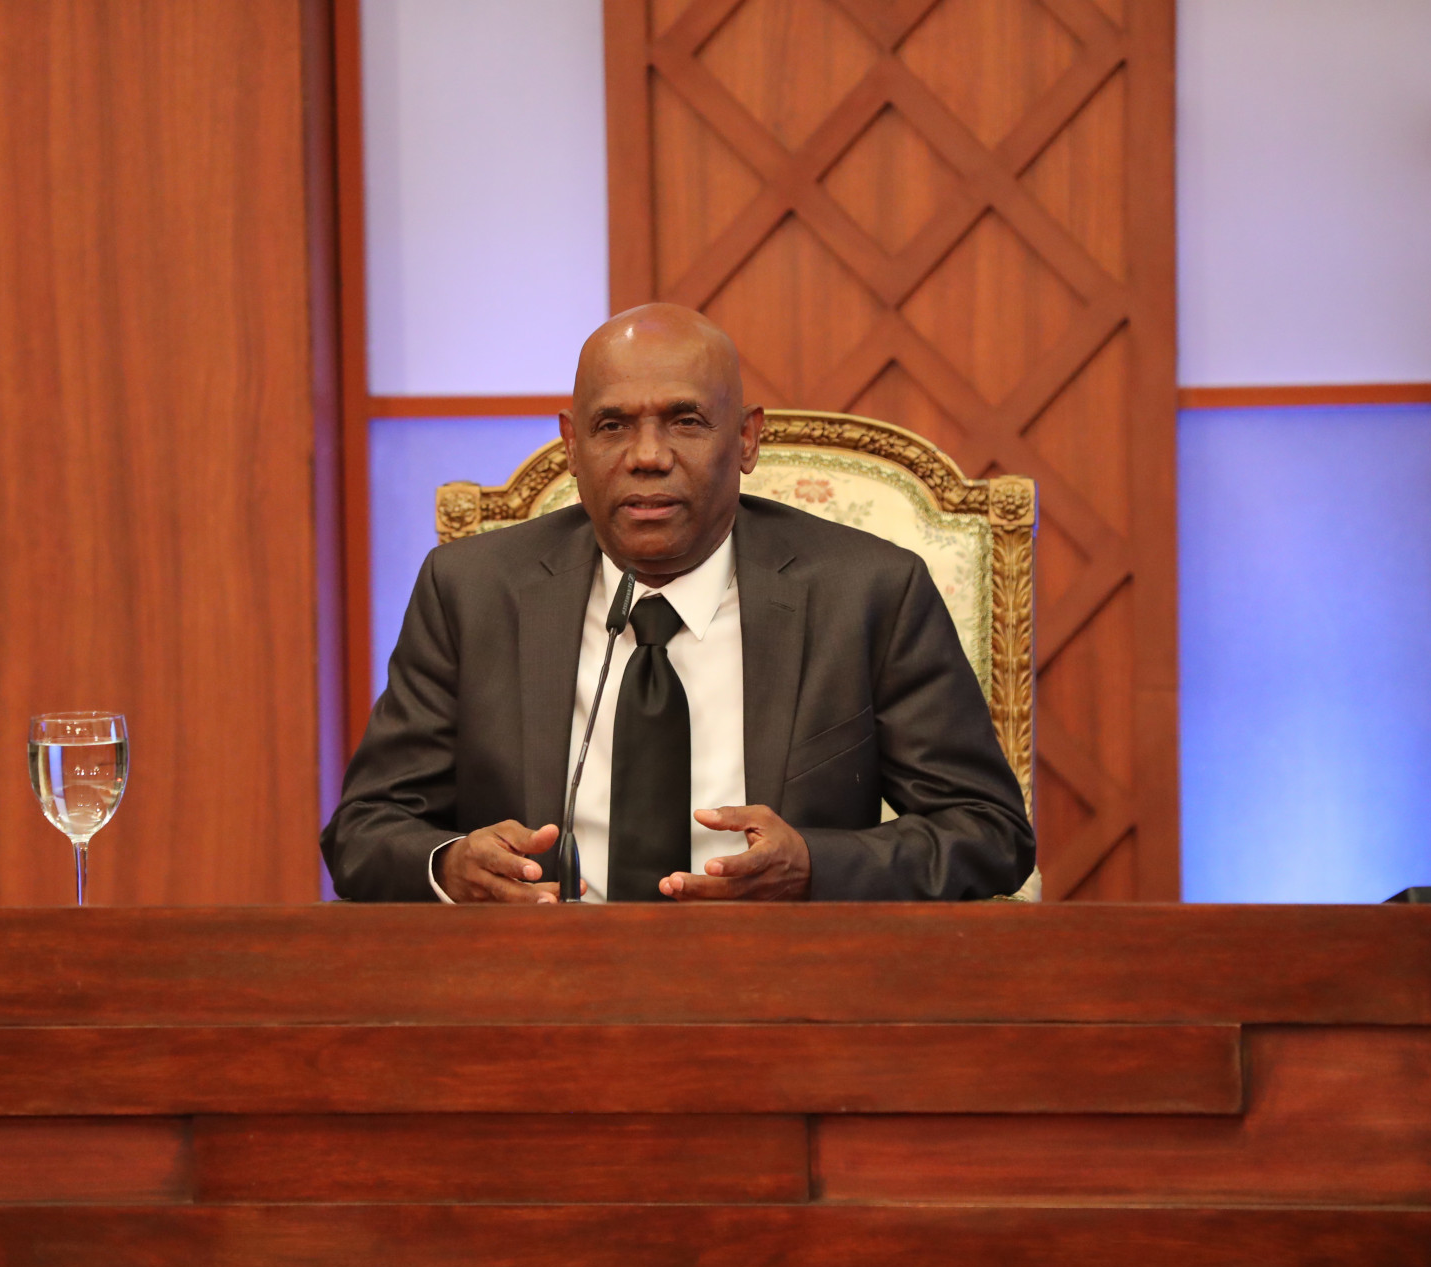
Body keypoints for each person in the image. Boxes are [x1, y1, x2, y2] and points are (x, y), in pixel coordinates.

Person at [322, 304, 1034, 902]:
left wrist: (815, 867)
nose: (648, 455)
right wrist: (451, 866)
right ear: (571, 446)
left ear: (747, 439)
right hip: (540, 983)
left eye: (686, 421)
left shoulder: (868, 592)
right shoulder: (472, 592)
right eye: (612, 426)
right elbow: (363, 830)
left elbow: (989, 830)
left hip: (781, 985)